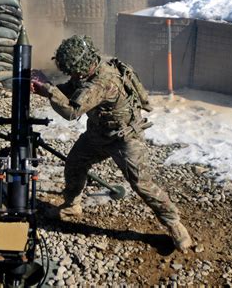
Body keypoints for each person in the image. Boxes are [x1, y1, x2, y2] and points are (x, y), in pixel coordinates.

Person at [31, 35, 192, 252]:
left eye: (73, 71)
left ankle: (174, 224)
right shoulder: (89, 69)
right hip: (98, 134)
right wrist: (48, 86)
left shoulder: (102, 81)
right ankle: (71, 206)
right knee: (75, 164)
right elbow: (72, 89)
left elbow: (71, 111)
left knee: (141, 184)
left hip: (124, 138)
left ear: (83, 65)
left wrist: (49, 90)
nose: (72, 75)